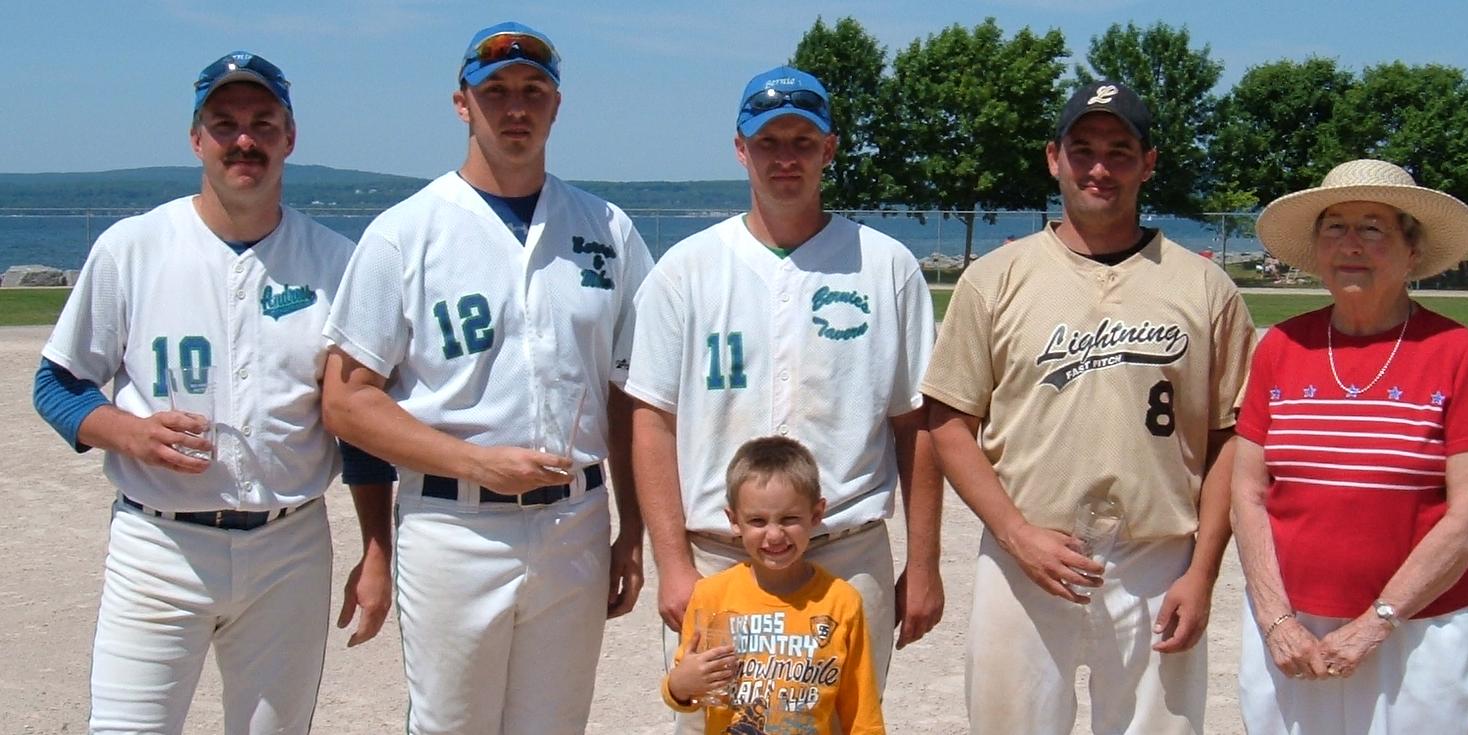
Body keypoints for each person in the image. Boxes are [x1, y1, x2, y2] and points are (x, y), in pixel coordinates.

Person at [32, 52, 390, 733]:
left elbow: (360, 429)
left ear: (290, 137)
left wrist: (377, 551)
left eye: (263, 122)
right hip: (158, 544)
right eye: (225, 124)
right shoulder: (132, 248)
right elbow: (56, 383)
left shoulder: (336, 264)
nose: (244, 139)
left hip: (289, 546)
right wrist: (125, 431)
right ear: (197, 139)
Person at [318, 22, 651, 734]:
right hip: (452, 522)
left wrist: (635, 528)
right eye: (494, 91)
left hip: (576, 519)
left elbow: (633, 394)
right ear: (461, 103)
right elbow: (347, 400)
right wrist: (474, 461)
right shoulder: (404, 233)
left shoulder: (607, 228)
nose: (515, 107)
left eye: (533, 91)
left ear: (557, 106)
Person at [922, 80, 1256, 734]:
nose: (1099, 167)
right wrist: (1018, 535)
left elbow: (1231, 437)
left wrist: (1204, 571)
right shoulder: (996, 278)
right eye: (1083, 149)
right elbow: (948, 422)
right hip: (1027, 551)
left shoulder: (1204, 286)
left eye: (1120, 151)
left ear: (1148, 163)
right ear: (1054, 157)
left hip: (1159, 556)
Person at [626, 63, 942, 723]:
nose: (786, 157)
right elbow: (651, 421)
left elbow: (916, 423)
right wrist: (674, 562)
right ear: (741, 149)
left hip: (847, 556)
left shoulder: (884, 265)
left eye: (803, 141)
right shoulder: (685, 270)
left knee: (839, 722)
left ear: (829, 149)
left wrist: (926, 561)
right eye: (769, 141)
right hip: (717, 559)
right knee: (716, 719)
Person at [1231, 159, 1468, 734]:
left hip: (1421, 626)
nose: (1350, 244)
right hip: (1290, 623)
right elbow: (1247, 494)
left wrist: (1377, 621)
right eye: (1334, 226)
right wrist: (1275, 616)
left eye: (1373, 228)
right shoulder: (1281, 346)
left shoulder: (1457, 352)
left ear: (1412, 253)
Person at [662, 436, 885, 734]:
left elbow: (862, 712)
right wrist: (680, 684)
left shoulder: (840, 601)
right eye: (757, 521)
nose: (775, 535)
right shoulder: (710, 596)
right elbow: (684, 694)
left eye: (789, 518)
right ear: (734, 521)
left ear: (816, 515)